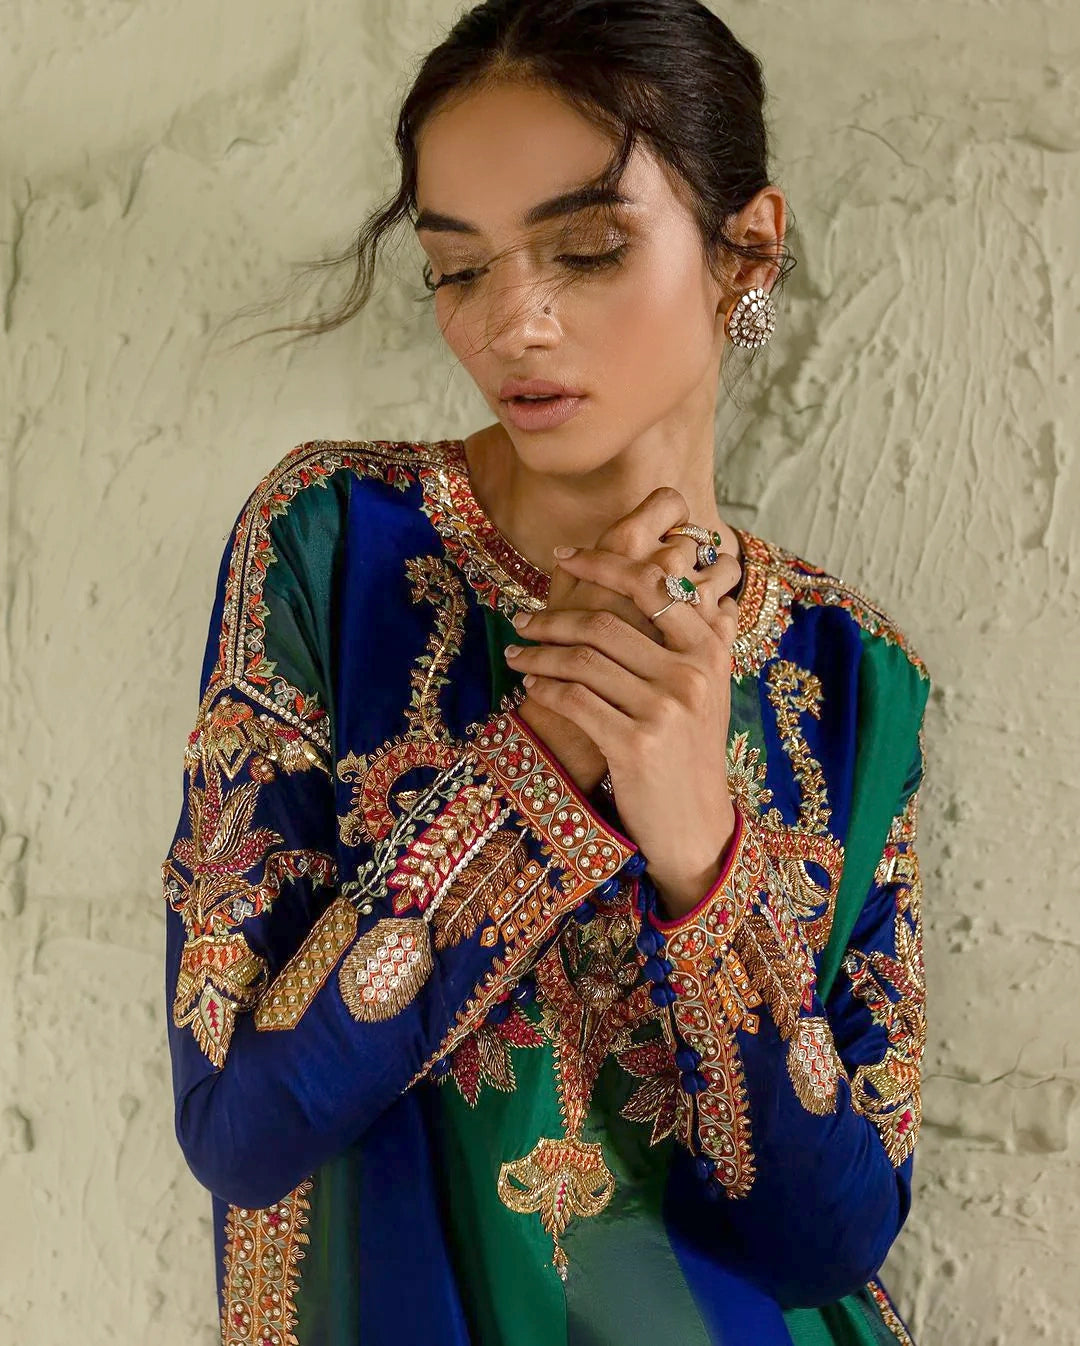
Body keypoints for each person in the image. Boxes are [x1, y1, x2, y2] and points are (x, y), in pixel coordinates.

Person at [161, 3, 931, 1343]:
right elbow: (243, 1120)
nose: (513, 322)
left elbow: (833, 1237)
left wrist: (702, 850)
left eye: (583, 249)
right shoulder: (334, 548)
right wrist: (545, 756)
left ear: (745, 252)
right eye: (459, 270)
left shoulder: (855, 680)